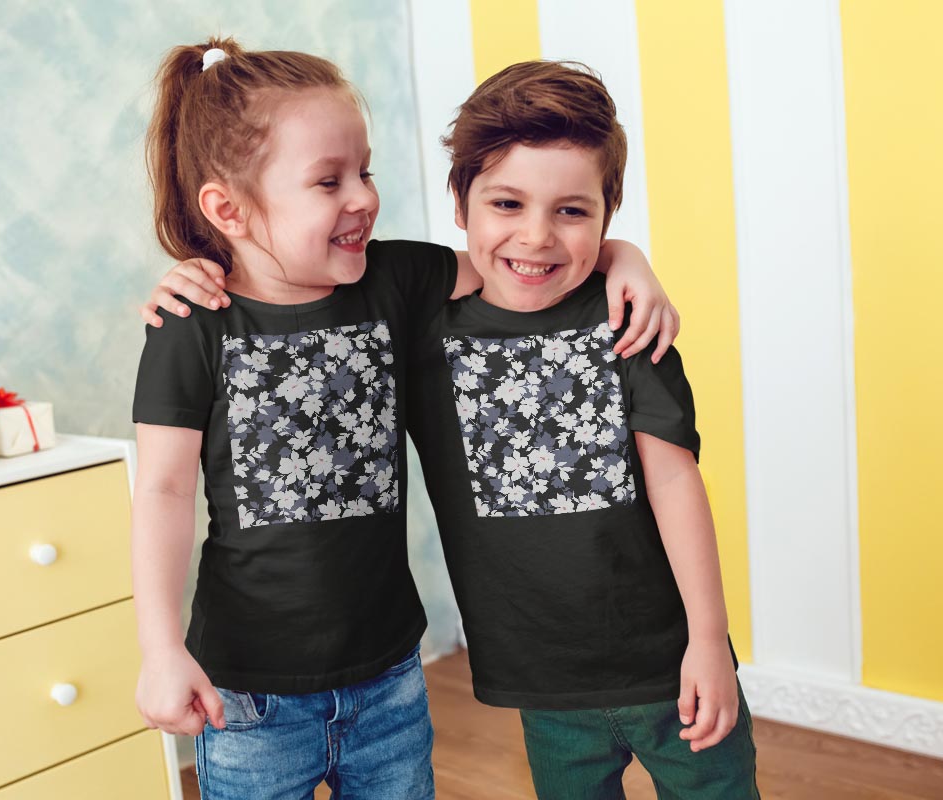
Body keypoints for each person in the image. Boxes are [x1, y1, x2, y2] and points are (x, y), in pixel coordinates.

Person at [133, 37, 678, 800]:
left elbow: (525, 267)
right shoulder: (193, 324)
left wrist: (625, 256)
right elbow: (162, 492)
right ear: (229, 209)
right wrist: (161, 650)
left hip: (389, 679)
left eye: (366, 172)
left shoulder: (396, 278)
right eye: (329, 181)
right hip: (251, 693)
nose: (362, 197)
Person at [405, 60, 760, 798]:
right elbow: (305, 284)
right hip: (543, 679)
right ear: (461, 203)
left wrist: (708, 642)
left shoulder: (626, 321)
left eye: (571, 211)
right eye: (507, 203)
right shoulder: (418, 326)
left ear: (606, 213)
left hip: (670, 665)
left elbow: (675, 481)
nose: (535, 236)